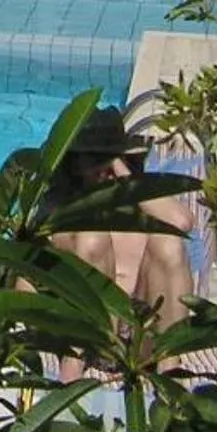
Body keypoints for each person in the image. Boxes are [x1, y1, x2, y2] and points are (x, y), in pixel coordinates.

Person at [48, 106, 197, 332]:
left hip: (144, 330)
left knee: (170, 244)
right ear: (73, 164)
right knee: (92, 238)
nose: (102, 170)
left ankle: (168, 365)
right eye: (91, 160)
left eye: (105, 160)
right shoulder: (62, 209)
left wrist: (122, 170)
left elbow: (181, 223)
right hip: (97, 330)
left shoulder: (138, 204)